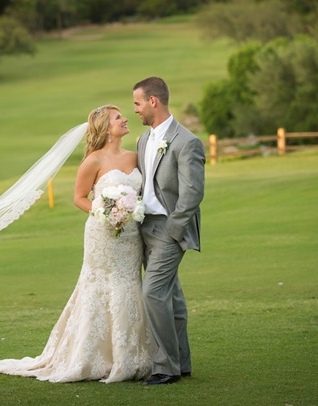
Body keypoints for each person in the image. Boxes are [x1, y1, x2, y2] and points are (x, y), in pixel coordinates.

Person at [0, 105, 152, 383]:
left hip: (131, 237)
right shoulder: (93, 161)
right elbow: (79, 198)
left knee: (129, 285)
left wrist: (127, 213)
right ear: (106, 128)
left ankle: (132, 354)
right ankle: (93, 356)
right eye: (118, 117)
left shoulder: (134, 157)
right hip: (103, 235)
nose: (125, 119)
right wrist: (105, 212)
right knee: (100, 287)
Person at [133, 77, 205, 385]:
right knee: (171, 296)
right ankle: (182, 362)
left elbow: (193, 192)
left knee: (152, 292)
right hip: (144, 227)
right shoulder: (142, 140)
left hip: (169, 229)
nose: (135, 109)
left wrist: (174, 229)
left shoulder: (186, 141)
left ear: (153, 101)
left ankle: (165, 367)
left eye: (137, 103)